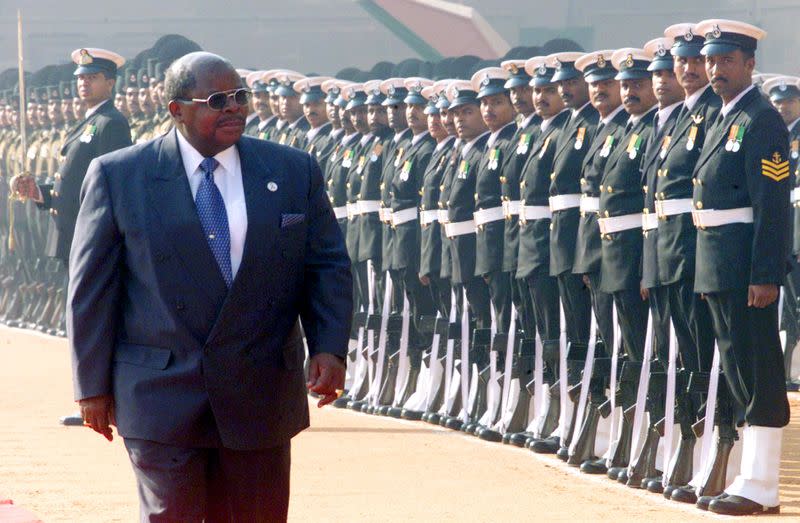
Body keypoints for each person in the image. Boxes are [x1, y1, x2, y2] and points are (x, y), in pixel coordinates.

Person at [67, 52, 352, 521]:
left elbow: (325, 266)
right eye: (217, 100)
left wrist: (329, 346)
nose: (234, 108)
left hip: (258, 391)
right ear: (176, 110)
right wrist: (90, 386)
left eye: (240, 97)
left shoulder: (291, 171)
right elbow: (91, 290)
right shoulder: (120, 176)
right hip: (161, 392)